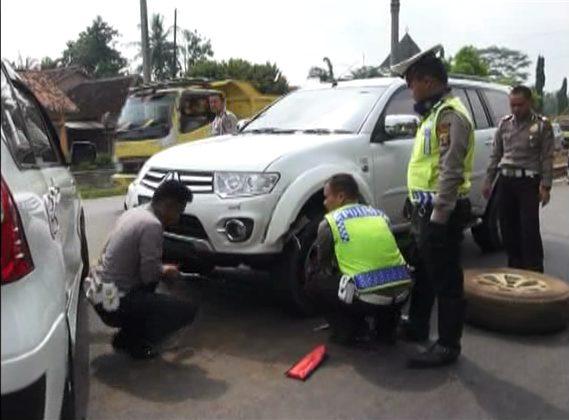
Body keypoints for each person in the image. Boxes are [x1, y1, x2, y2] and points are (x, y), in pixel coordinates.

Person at [391, 45, 474, 368]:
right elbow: (425, 167)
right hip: (426, 210)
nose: (410, 88)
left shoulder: (449, 115)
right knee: (424, 273)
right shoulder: (432, 114)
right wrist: (413, 202)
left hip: (444, 212)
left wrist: (438, 216)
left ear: (427, 81)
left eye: (411, 82)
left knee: (447, 281)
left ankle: (449, 346)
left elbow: (450, 171)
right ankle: (417, 326)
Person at [86, 180, 197, 359]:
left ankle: (125, 338)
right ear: (169, 205)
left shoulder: (135, 213)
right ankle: (138, 344)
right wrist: (166, 272)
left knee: (145, 293)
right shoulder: (152, 225)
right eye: (179, 211)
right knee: (186, 310)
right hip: (111, 303)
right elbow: (149, 276)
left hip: (100, 293)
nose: (178, 217)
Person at [305, 174, 412, 346]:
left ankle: (350, 332)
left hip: (367, 298)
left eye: (326, 197)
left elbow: (323, 263)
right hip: (402, 294)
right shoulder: (379, 215)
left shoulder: (330, 222)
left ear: (340, 197)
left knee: (315, 279)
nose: (324, 203)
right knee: (378, 274)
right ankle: (386, 328)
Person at [483, 86, 555, 273]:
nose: (516, 109)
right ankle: (515, 267)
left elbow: (547, 157)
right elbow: (495, 155)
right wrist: (488, 180)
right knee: (507, 228)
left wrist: (545, 186)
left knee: (529, 229)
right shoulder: (504, 124)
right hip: (506, 181)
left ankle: (534, 269)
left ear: (530, 102)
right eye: (512, 105)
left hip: (528, 183)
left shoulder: (541, 125)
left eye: (520, 105)